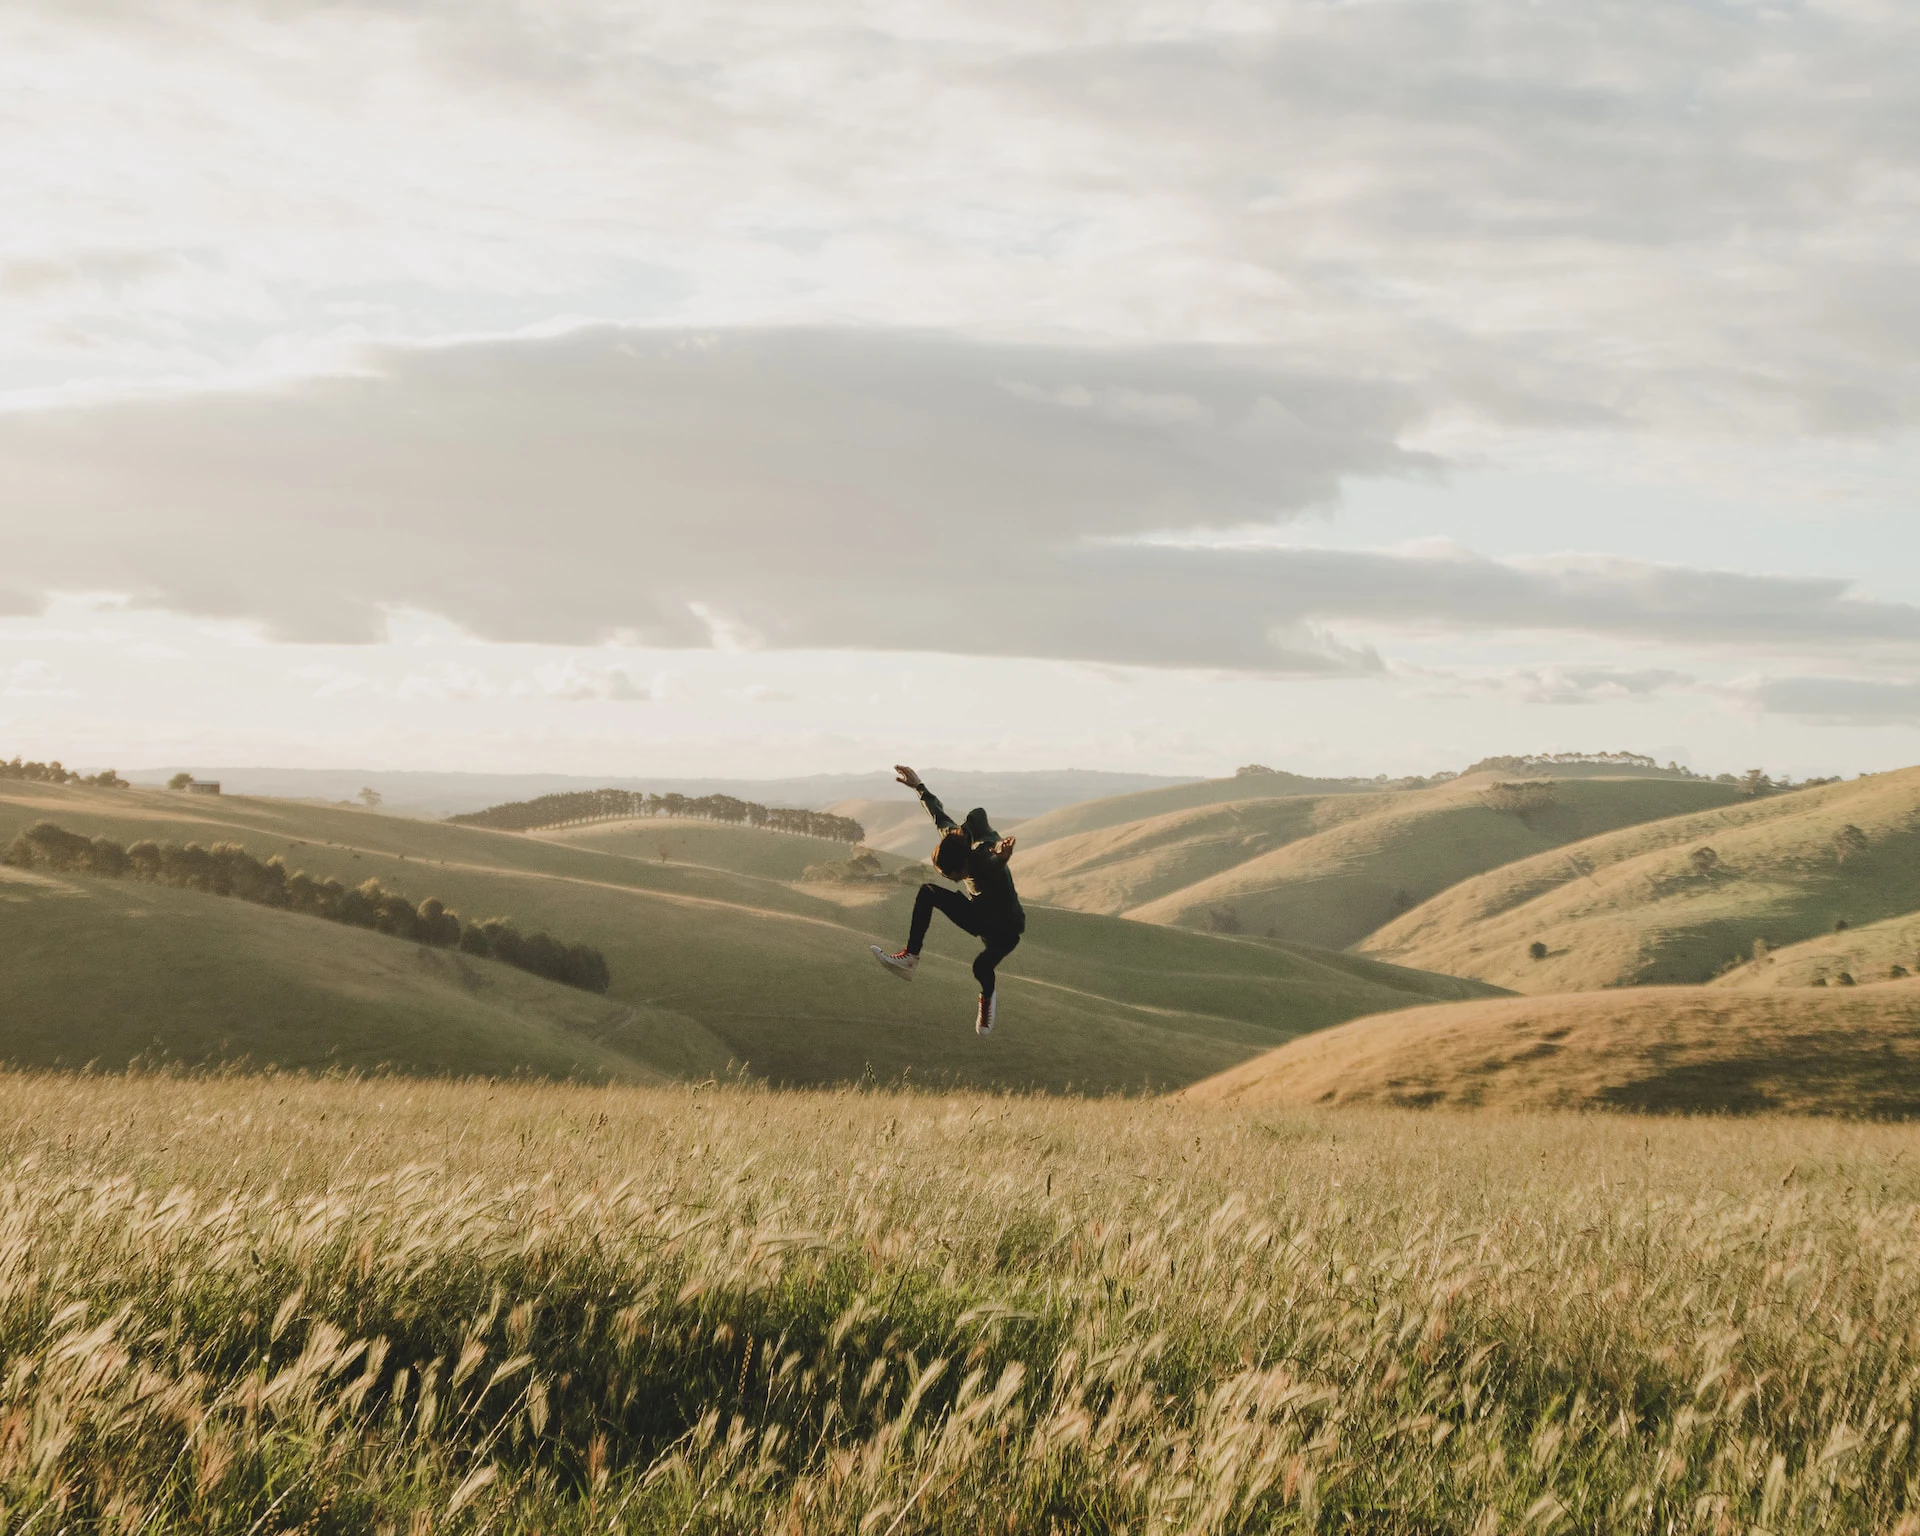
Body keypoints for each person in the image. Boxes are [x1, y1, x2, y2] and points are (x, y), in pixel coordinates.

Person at [870, 765, 1023, 1034]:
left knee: (981, 966)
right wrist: (919, 786)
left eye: (954, 876)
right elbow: (937, 813)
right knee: (928, 892)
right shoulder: (954, 839)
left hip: (1006, 929)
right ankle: (910, 958)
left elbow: (994, 861)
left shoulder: (982, 860)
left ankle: (988, 1001)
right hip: (979, 917)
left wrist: (1003, 856)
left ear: (965, 864)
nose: (952, 880)